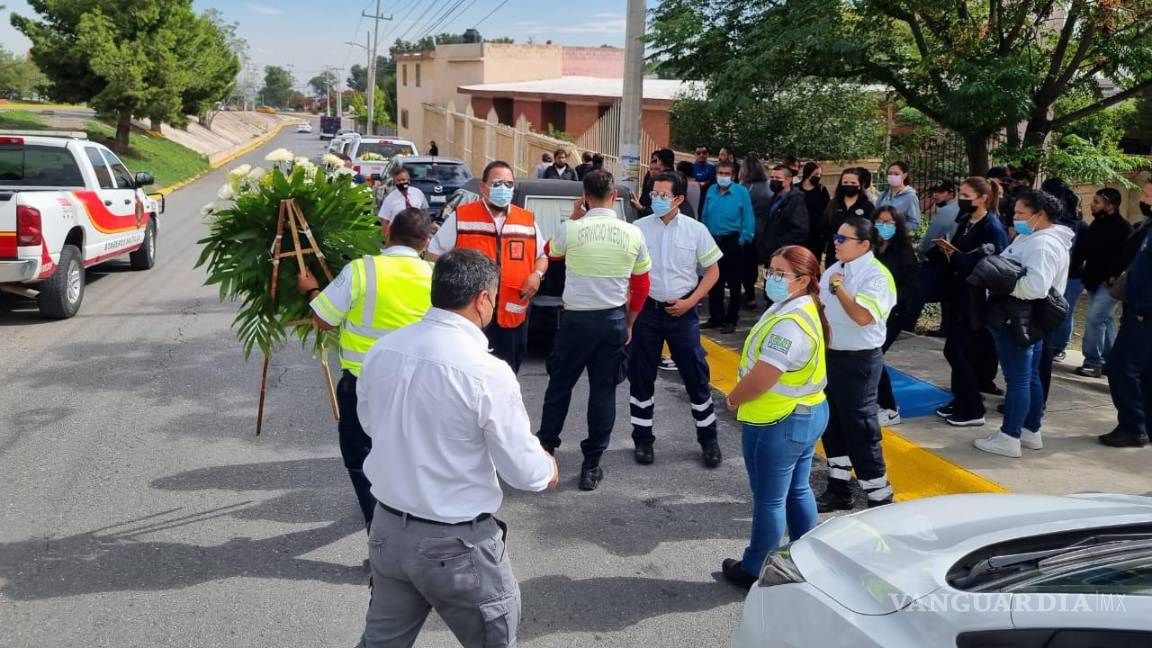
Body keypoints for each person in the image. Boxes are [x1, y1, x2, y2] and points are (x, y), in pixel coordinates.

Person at [356, 249, 559, 648]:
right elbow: (523, 470)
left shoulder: (384, 348)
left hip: (388, 530)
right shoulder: (485, 371)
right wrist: (546, 466)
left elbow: (370, 423)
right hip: (455, 545)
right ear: (483, 299)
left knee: (381, 641)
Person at [297, 208, 434, 528]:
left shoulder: (361, 270)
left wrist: (311, 290)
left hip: (364, 386)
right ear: (426, 243)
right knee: (412, 459)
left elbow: (323, 319)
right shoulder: (434, 275)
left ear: (387, 234)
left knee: (362, 460)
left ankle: (380, 531)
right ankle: (411, 530)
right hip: (420, 387)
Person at [720, 245, 830, 589]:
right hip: (807, 415)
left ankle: (755, 567)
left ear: (804, 280)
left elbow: (765, 376)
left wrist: (734, 398)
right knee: (797, 490)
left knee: (770, 500)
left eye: (781, 274)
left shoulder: (791, 324)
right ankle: (806, 557)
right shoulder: (799, 307)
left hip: (778, 422)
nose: (772, 278)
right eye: (770, 270)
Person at [537, 170, 652, 491]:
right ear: (614, 196)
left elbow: (550, 252)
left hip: (575, 323)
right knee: (603, 391)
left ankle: (545, 450)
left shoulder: (571, 229)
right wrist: (629, 322)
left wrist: (573, 218)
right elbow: (642, 285)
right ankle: (592, 465)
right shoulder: (632, 235)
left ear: (585, 197)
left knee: (559, 386)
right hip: (612, 322)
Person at [629, 172, 724, 467]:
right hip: (647, 312)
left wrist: (690, 302)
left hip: (683, 313)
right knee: (641, 376)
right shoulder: (637, 228)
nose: (655, 199)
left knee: (696, 376)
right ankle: (643, 440)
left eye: (662, 196)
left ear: (679, 199)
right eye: (653, 194)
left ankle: (709, 440)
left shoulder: (696, 231)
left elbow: (712, 272)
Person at [975, 190, 1073, 458]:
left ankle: (1009, 436)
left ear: (1040, 215)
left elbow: (1036, 287)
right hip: (1028, 318)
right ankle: (1030, 430)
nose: (1014, 217)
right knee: (1029, 377)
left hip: (1019, 318)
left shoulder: (1042, 244)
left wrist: (999, 284)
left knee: (1018, 380)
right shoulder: (1036, 237)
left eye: (1020, 213)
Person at [427, 161, 547, 375]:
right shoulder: (462, 216)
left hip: (512, 315)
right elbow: (434, 254)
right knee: (466, 375)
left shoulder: (526, 220)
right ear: (483, 187)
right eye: (498, 183)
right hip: (471, 316)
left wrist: (537, 275)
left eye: (509, 184)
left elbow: (542, 256)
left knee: (507, 376)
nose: (504, 189)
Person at [817, 217, 897, 511]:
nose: (836, 243)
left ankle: (879, 495)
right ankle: (839, 487)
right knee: (833, 422)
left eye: (842, 239)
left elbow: (863, 316)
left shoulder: (877, 275)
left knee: (861, 427)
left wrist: (840, 289)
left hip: (859, 360)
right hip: (831, 355)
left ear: (863, 244)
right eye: (836, 237)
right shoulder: (835, 270)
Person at [935, 177, 1009, 428]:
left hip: (976, 299)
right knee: (956, 351)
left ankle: (973, 407)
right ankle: (961, 399)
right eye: (961, 195)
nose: (962, 200)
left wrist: (956, 256)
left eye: (967, 196)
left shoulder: (992, 227)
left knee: (958, 352)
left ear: (982, 198)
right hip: (959, 293)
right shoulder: (966, 221)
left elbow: (992, 267)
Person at [1099, 179, 1152, 448]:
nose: (1144, 199)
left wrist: (1143, 309)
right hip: (1138, 309)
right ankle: (1137, 425)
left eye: (1148, 195)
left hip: (1145, 315)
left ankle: (1134, 426)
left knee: (1121, 368)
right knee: (1140, 372)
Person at [1074, 188, 1131, 378]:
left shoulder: (1123, 228)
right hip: (1093, 280)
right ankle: (1109, 361)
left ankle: (1093, 362)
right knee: (1104, 321)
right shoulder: (1097, 224)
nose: (1093, 204)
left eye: (1097, 202)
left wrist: (1114, 275)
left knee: (1095, 320)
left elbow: (1126, 256)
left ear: (1110, 205)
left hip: (1109, 283)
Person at [873, 206, 919, 426]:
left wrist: (888, 298)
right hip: (872, 311)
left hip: (893, 312)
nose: (884, 226)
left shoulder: (903, 252)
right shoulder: (870, 248)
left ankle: (889, 407)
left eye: (889, 222)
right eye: (880, 221)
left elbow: (911, 286)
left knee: (875, 355)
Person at [701, 160, 755, 334]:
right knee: (714, 280)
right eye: (720, 173)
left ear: (733, 175)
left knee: (733, 283)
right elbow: (705, 215)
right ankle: (716, 317)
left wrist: (743, 239)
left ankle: (731, 319)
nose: (723, 177)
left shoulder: (741, 192)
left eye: (727, 174)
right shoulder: (711, 191)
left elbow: (748, 218)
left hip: (733, 241)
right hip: (713, 240)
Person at [907, 181, 961, 335]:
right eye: (934, 193)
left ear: (951, 193)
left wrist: (921, 251)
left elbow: (931, 237)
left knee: (918, 291)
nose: (936, 196)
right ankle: (946, 328)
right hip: (952, 259)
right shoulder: (957, 209)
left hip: (940, 258)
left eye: (940, 192)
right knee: (947, 297)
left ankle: (907, 324)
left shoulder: (948, 211)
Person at [756, 165, 809, 305]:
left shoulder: (795, 200)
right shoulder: (774, 198)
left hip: (784, 256)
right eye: (772, 178)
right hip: (771, 255)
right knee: (770, 293)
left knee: (781, 294)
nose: (773, 181)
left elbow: (800, 230)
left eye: (777, 178)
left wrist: (778, 245)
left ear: (788, 180)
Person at [823, 169, 875, 269]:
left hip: (857, 257)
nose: (849, 185)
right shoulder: (832, 205)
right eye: (845, 182)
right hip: (834, 255)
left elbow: (871, 232)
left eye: (853, 183)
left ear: (860, 185)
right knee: (834, 282)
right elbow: (825, 228)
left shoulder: (867, 207)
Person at [741, 154, 771, 310]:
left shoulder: (744, 188)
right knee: (768, 266)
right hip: (767, 230)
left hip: (749, 231)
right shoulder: (769, 185)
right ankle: (769, 296)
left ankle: (750, 295)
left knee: (748, 265)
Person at [377, 167, 429, 236]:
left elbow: (424, 213)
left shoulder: (418, 193)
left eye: (403, 180)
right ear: (395, 183)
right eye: (398, 181)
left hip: (416, 236)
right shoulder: (390, 199)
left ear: (409, 180)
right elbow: (385, 222)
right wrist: (387, 240)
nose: (401, 182)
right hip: (398, 237)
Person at [875, 161, 921, 229]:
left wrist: (896, 227)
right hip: (880, 236)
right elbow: (875, 215)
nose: (892, 176)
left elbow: (914, 223)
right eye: (890, 173)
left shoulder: (910, 197)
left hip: (898, 237)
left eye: (896, 174)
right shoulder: (883, 195)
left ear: (904, 175)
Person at [799, 162, 831, 260]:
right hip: (799, 231)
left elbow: (827, 210)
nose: (818, 177)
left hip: (816, 233)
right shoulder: (796, 189)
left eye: (820, 175)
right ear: (808, 173)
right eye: (816, 174)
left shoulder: (821, 190)